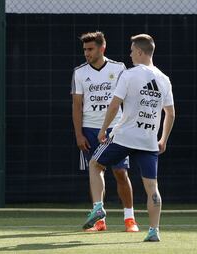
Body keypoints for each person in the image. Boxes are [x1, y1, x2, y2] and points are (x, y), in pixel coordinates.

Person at [82, 34, 175, 242]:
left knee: (95, 164)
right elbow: (171, 113)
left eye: (132, 50)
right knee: (152, 187)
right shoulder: (164, 79)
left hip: (124, 136)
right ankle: (154, 231)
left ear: (140, 52)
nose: (130, 54)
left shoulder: (129, 74)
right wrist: (163, 139)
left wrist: (102, 130)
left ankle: (98, 208)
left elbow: (114, 105)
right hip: (149, 140)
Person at [71, 31, 139, 232]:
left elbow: (130, 99)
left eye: (90, 49)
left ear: (102, 48)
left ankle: (130, 218)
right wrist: (78, 134)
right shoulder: (80, 72)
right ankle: (99, 220)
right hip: (90, 129)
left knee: (120, 172)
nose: (86, 53)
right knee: (96, 170)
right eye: (84, 49)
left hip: (116, 128)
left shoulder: (119, 68)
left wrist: (128, 125)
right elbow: (76, 105)